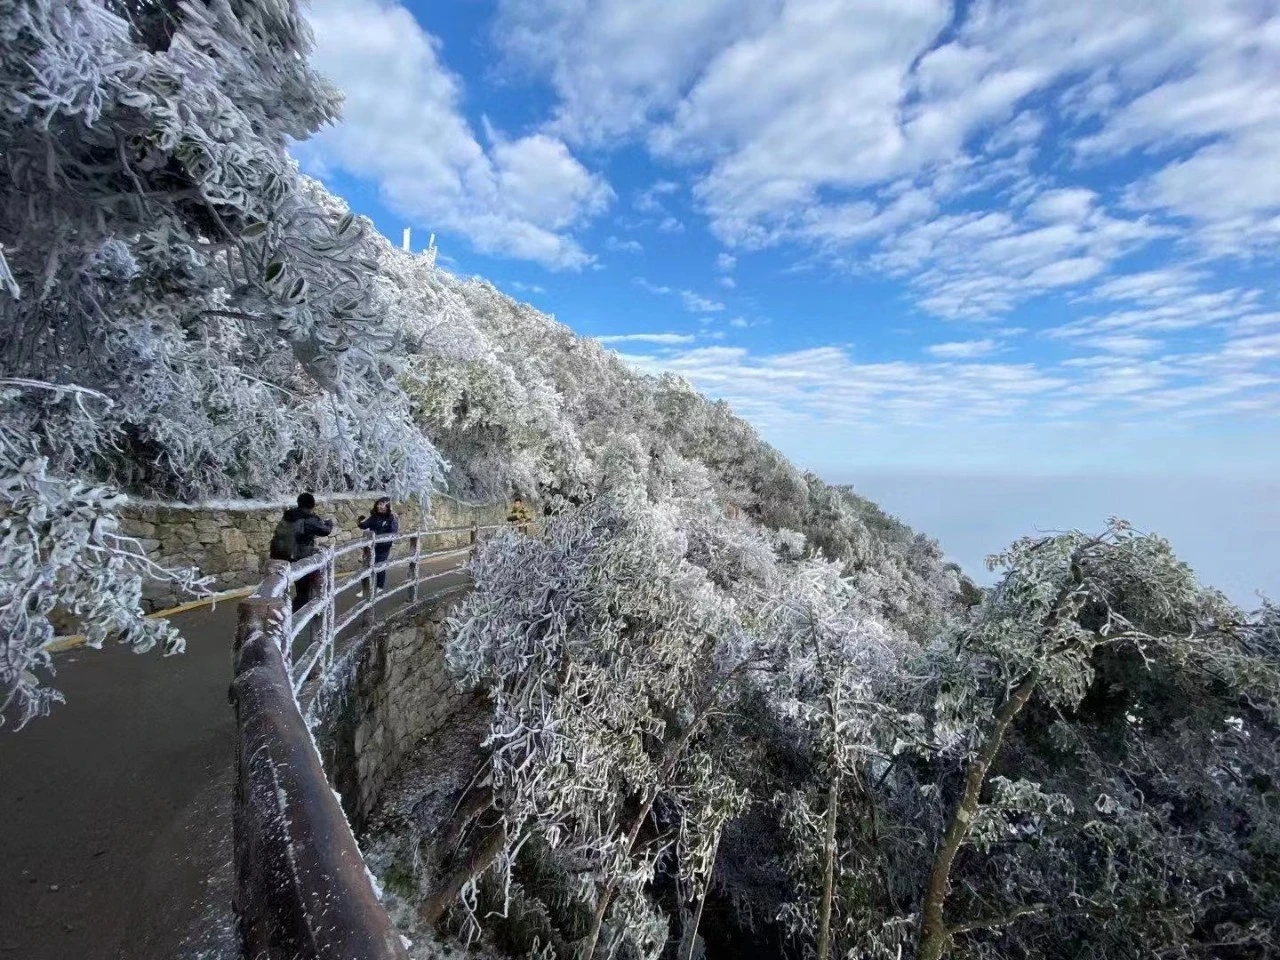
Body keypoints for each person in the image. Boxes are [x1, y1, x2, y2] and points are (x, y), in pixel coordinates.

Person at [269, 492, 335, 613]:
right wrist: (329, 523)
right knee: (303, 591)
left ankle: (277, 613)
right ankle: (293, 618)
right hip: (298, 557)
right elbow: (325, 531)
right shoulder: (308, 519)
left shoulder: (288, 516)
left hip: (279, 555)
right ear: (312, 505)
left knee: (280, 588)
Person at [357, 497, 399, 592]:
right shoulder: (374, 516)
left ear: (387, 506)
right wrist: (360, 520)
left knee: (379, 566)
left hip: (383, 547)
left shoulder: (391, 518)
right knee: (368, 565)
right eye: (378, 504)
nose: (379, 506)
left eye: (382, 504)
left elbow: (393, 533)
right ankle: (367, 588)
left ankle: (379, 587)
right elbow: (364, 525)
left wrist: (385, 542)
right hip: (372, 547)